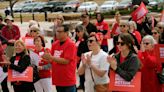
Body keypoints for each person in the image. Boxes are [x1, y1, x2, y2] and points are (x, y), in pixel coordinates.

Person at [42, 24, 77, 92]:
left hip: (67, 80)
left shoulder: (71, 45)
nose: (57, 33)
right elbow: (51, 60)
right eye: (57, 31)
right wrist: (45, 57)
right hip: (58, 79)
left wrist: (51, 57)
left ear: (66, 33)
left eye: (60, 32)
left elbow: (66, 61)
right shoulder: (55, 44)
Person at [75, 25, 89, 90]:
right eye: (76, 32)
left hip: (83, 60)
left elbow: (86, 51)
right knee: (81, 76)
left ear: (83, 31)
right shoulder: (77, 39)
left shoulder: (87, 40)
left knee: (85, 77)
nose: (77, 33)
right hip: (77, 60)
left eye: (78, 31)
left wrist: (78, 53)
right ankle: (81, 85)